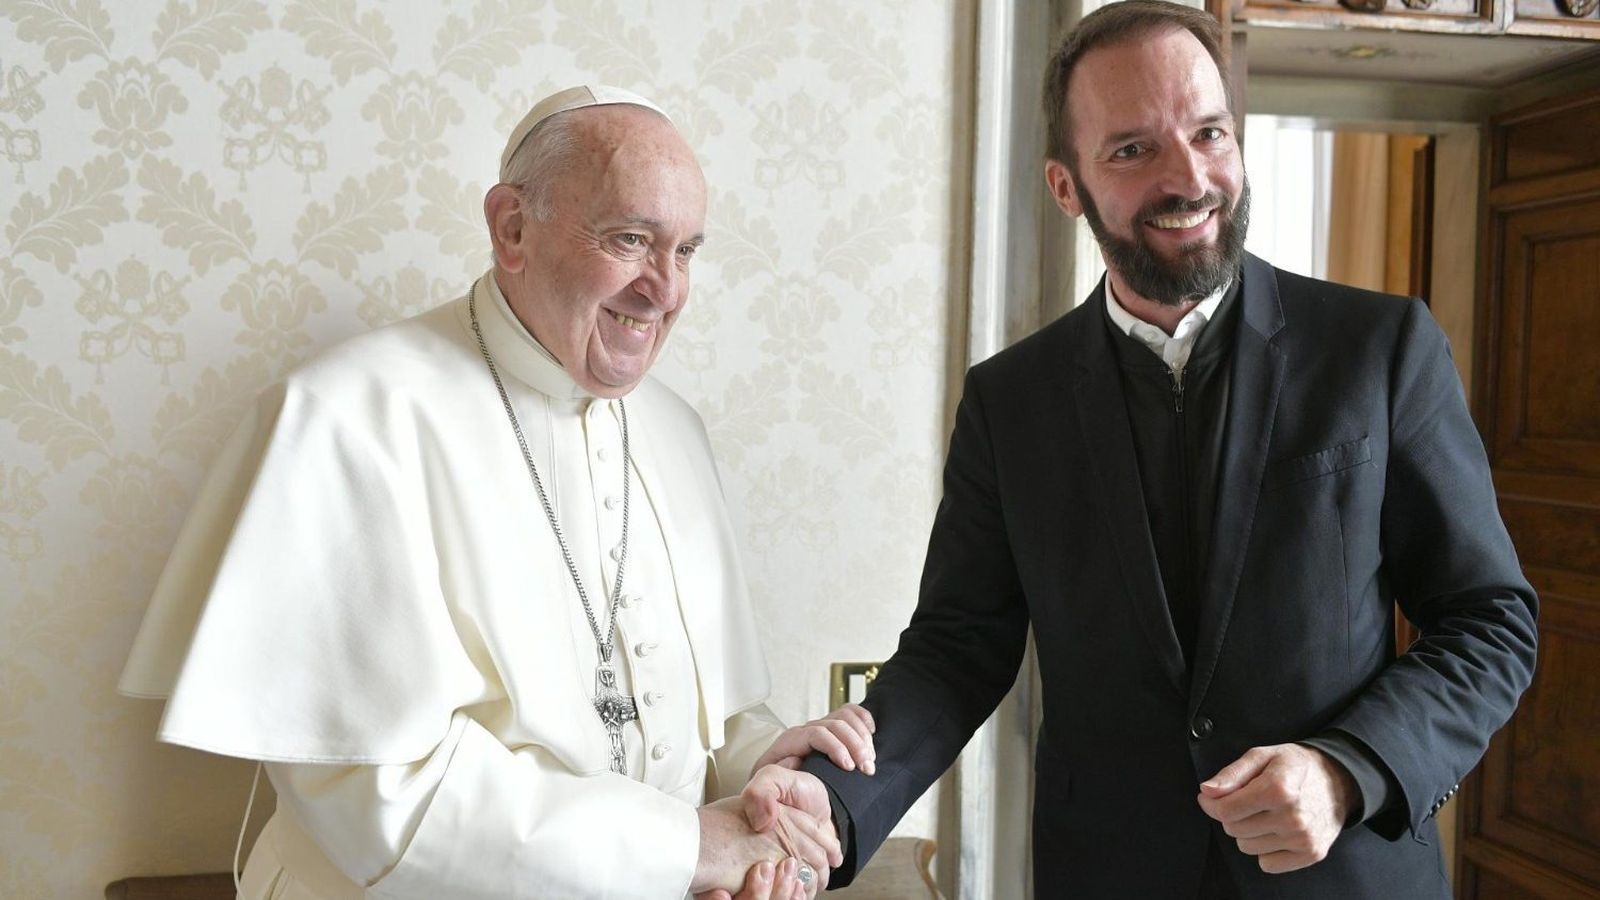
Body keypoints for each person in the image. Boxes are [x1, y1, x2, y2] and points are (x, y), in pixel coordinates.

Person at [804, 3, 1538, 897]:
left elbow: (1491, 621)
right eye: (1131, 150)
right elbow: (958, 648)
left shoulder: (1381, 350)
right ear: (1065, 185)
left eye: (1209, 133)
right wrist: (824, 809)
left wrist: (1352, 769)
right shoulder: (1009, 402)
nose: (1189, 178)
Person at [118, 85, 874, 900]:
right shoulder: (347, 418)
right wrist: (689, 846)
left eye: (686, 250)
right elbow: (376, 794)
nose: (666, 289)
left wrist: (763, 775)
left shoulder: (673, 429)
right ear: (512, 228)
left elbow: (700, 722)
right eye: (631, 240)